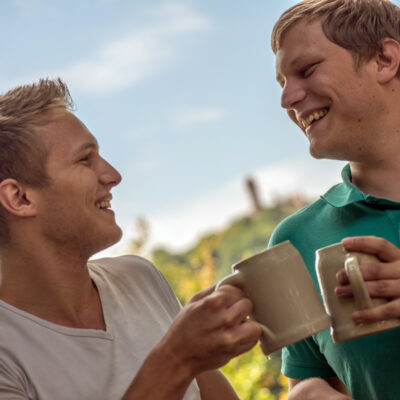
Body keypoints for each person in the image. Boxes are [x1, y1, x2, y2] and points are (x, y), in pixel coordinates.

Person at [0, 78, 262, 400]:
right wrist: (175, 359)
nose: (113, 175)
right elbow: (177, 361)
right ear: (20, 197)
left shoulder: (140, 278)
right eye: (85, 159)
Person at [268, 0, 400, 399]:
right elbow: (314, 382)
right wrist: (307, 393)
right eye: (282, 83)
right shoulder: (293, 242)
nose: (287, 99)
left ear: (384, 58)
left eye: (306, 70)